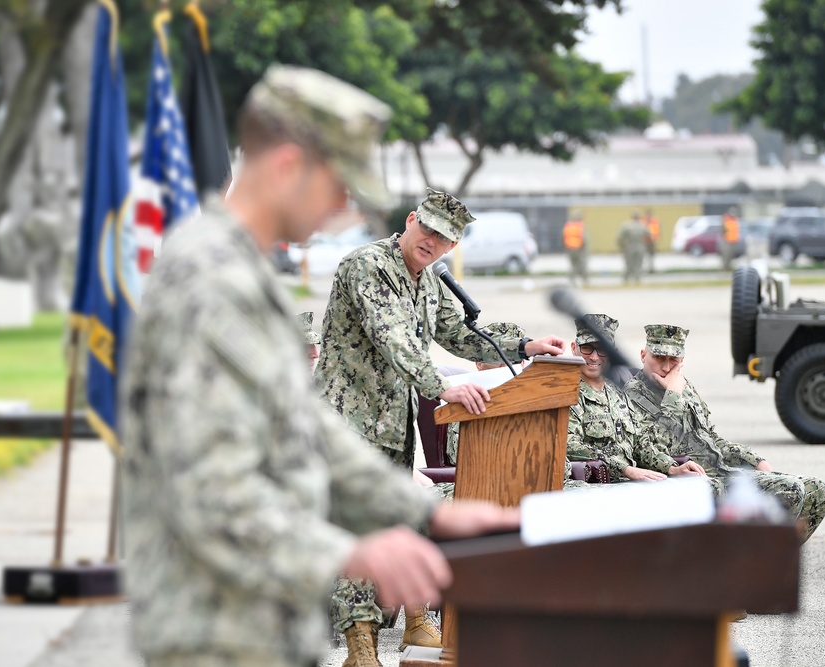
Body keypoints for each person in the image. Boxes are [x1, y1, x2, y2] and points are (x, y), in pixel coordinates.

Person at [120, 64, 520, 667]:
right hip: (212, 633)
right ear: (287, 165)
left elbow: (305, 424)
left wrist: (425, 513)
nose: (342, 209)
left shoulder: (247, 275)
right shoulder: (210, 282)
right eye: (339, 186)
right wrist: (349, 557)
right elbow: (212, 494)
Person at [315, 188, 565, 658]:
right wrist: (440, 385)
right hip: (346, 426)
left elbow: (459, 334)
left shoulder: (429, 280)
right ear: (411, 221)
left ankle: (414, 622)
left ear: (452, 247)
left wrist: (525, 346)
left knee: (396, 526)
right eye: (428, 229)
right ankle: (360, 647)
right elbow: (390, 336)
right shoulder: (366, 265)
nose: (433, 241)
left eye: (445, 238)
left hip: (391, 426)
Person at [624, 324, 825, 541]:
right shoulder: (632, 395)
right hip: (689, 478)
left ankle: (772, 564)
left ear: (682, 360)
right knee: (791, 490)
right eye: (659, 357)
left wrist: (754, 459)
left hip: (721, 470)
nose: (666, 367)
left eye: (673, 360)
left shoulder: (685, 387)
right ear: (643, 355)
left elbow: (711, 438)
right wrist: (673, 395)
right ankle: (754, 565)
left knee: (817, 490)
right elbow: (650, 446)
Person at [566, 314, 706, 483]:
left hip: (629, 480)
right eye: (587, 348)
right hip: (596, 485)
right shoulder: (567, 394)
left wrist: (671, 467)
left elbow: (640, 442)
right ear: (574, 348)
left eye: (602, 349)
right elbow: (569, 445)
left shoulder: (618, 393)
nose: (594, 357)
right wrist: (625, 469)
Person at [617, 210, 650, 284]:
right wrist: (646, 245)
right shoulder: (643, 225)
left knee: (629, 263)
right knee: (638, 263)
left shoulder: (627, 225)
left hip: (630, 246)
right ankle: (637, 278)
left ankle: (627, 278)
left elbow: (620, 237)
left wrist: (622, 246)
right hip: (639, 245)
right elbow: (649, 236)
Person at [563, 210, 588, 286]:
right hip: (578, 248)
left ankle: (572, 279)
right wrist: (584, 247)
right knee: (580, 264)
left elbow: (563, 237)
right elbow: (583, 238)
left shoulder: (568, 226)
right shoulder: (579, 226)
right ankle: (584, 280)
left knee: (573, 264)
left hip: (569, 248)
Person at [642, 209, 659, 273]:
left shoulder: (654, 221)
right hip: (645, 241)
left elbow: (657, 231)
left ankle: (651, 268)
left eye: (650, 215)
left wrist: (655, 238)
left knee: (651, 256)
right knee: (644, 255)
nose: (649, 216)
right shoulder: (643, 221)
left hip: (652, 241)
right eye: (648, 215)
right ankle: (645, 268)